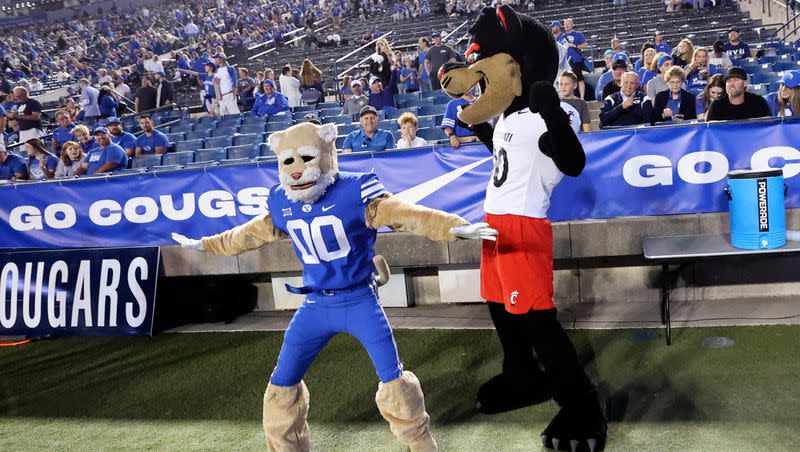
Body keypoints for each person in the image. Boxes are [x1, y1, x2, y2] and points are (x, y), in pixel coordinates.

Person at [706, 67, 771, 121]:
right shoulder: (716, 105)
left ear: (745, 83)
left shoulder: (758, 101)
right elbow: (711, 130)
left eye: (735, 80)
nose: (731, 84)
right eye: (728, 81)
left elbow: (768, 126)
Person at [556, 19, 589, 99]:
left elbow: (586, 45)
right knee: (565, 81)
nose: (566, 25)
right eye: (565, 24)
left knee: (579, 79)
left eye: (568, 23)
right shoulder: (560, 36)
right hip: (564, 63)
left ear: (572, 24)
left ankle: (582, 98)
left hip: (575, 60)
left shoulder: (578, 34)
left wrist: (575, 45)